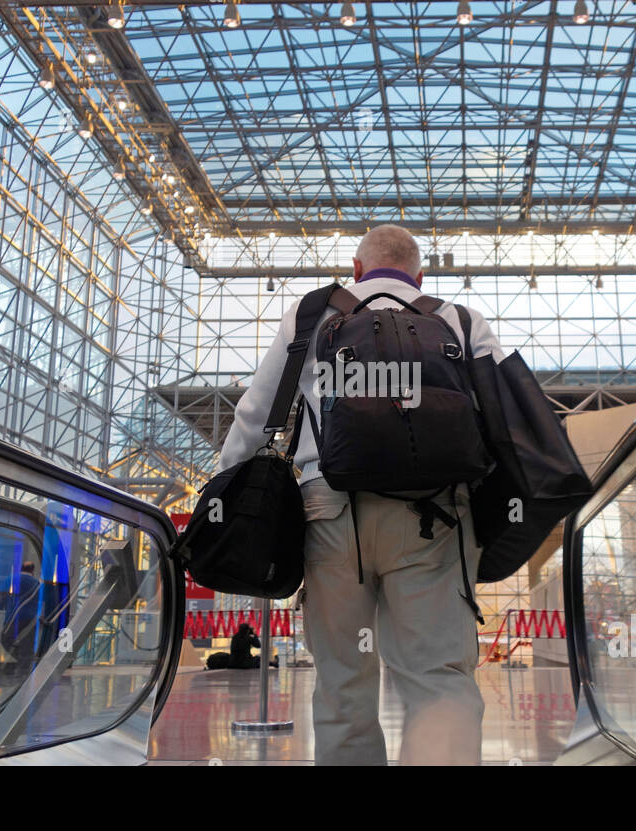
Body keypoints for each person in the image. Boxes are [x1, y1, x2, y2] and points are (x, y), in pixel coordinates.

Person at [217, 224, 506, 765]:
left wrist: (222, 498)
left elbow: (256, 416)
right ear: (421, 277)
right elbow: (505, 422)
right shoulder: (459, 321)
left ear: (356, 270)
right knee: (437, 678)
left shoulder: (313, 315)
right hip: (436, 517)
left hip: (330, 513)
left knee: (343, 680)